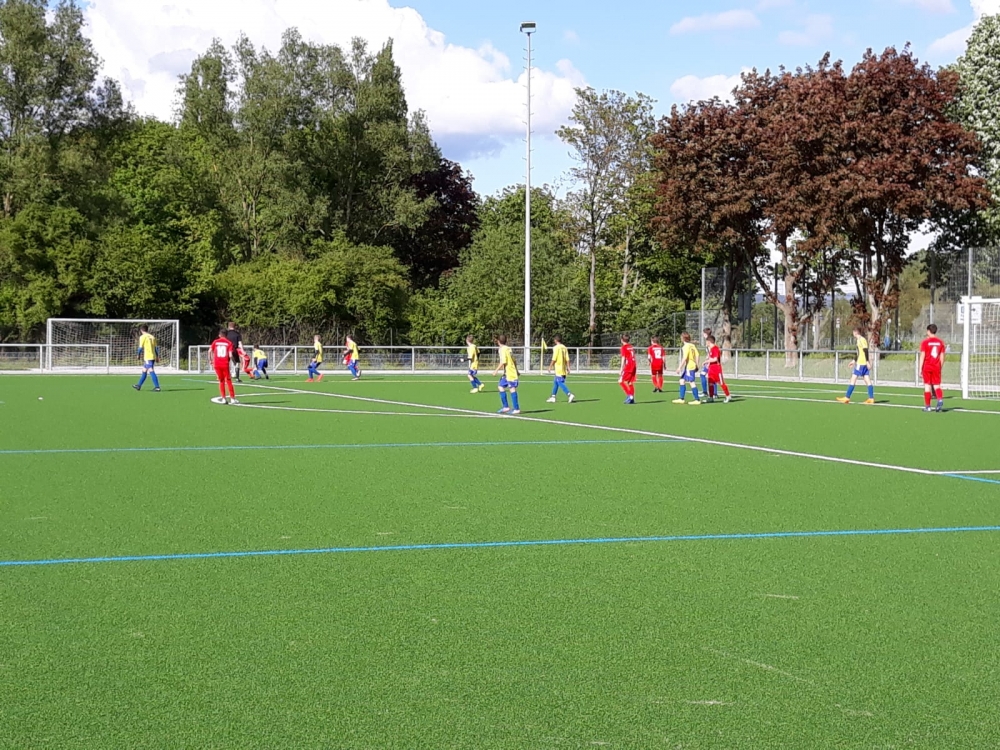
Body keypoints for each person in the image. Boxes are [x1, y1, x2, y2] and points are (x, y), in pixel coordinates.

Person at [837, 327, 875, 405]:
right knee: (867, 379)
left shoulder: (862, 340)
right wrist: (854, 361)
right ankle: (871, 398)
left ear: (855, 332)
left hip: (861, 363)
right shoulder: (859, 340)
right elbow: (859, 353)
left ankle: (847, 397)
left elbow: (865, 351)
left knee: (853, 379)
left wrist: (867, 361)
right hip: (861, 363)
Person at [919, 324, 946, 412]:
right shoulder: (940, 342)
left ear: (928, 331)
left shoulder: (925, 342)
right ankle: (940, 399)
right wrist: (940, 366)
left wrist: (920, 369)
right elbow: (942, 357)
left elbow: (922, 356)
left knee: (927, 386)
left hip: (927, 367)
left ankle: (928, 406)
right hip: (936, 367)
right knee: (937, 385)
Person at [492, 335, 520, 414]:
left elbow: (503, 361)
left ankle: (516, 408)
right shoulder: (508, 348)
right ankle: (506, 407)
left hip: (510, 372)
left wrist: (496, 370)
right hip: (507, 372)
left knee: (512, 388)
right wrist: (517, 370)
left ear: (498, 341)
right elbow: (514, 360)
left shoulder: (502, 349)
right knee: (500, 386)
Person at [673, 332, 702, 405]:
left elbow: (685, 357)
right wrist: (697, 364)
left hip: (689, 366)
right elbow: (697, 355)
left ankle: (697, 399)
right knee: (682, 380)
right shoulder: (692, 345)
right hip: (691, 366)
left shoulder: (685, 347)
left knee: (691, 382)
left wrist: (679, 367)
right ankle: (681, 398)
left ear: (682, 338)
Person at [210, 331, 238, 405]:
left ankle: (223, 398)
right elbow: (230, 355)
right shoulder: (229, 343)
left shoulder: (215, 342)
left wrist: (210, 360)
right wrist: (234, 362)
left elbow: (209, 351)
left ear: (220, 335)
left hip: (217, 364)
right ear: (226, 335)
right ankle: (232, 398)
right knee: (228, 380)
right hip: (225, 364)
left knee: (221, 381)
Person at [546, 335, 575, 404]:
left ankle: (569, 394)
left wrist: (550, 366)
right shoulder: (564, 347)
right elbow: (567, 359)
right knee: (556, 382)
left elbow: (554, 358)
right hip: (563, 368)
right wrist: (568, 367)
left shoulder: (556, 348)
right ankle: (553, 397)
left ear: (555, 340)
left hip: (558, 368)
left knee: (559, 382)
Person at [132, 324, 161, 392]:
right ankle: (139, 385)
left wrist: (138, 354)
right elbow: (156, 348)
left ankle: (157, 387)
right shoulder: (152, 337)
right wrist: (157, 356)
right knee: (144, 370)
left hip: (148, 356)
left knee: (151, 370)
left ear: (141, 330)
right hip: (152, 356)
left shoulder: (142, 337)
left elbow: (140, 348)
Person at [704, 335, 732, 403]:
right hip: (711, 369)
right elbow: (711, 358)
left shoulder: (715, 348)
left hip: (717, 370)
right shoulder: (711, 349)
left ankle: (728, 396)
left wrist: (706, 361)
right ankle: (711, 397)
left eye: (706, 341)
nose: (706, 343)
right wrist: (708, 364)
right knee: (710, 383)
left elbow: (715, 359)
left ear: (709, 341)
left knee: (721, 383)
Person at [619, 334, 637, 404]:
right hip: (634, 365)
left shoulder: (623, 347)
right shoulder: (631, 347)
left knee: (621, 381)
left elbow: (623, 358)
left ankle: (630, 396)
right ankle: (632, 399)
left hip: (629, 366)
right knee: (630, 382)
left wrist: (621, 369)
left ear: (622, 340)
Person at [700, 328, 712, 397]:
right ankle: (713, 393)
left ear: (706, 334)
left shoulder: (709, 341)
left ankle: (705, 392)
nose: (702, 334)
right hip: (709, 361)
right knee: (710, 376)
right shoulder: (709, 340)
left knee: (703, 375)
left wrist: (708, 362)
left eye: (704, 333)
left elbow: (711, 352)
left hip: (710, 362)